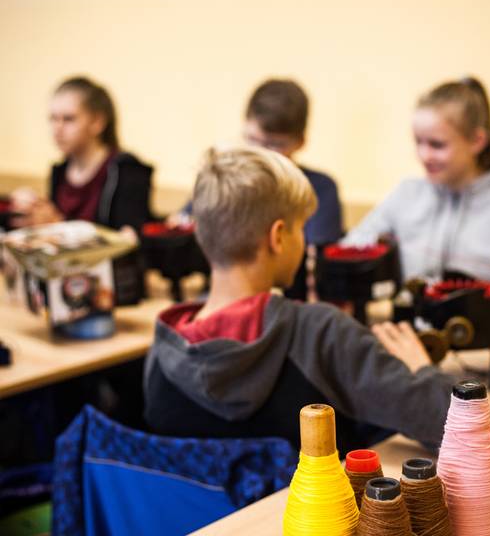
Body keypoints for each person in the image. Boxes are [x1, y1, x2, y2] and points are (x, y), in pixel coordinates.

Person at [144, 146, 453, 455]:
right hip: (314, 505)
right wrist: (423, 369)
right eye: (301, 228)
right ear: (277, 237)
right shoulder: (321, 334)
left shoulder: (162, 349)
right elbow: (453, 428)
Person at [343, 77, 490, 321]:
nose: (424, 155)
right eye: (418, 142)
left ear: (477, 141)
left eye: (437, 144)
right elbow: (350, 251)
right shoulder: (406, 195)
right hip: (411, 343)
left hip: (487, 345)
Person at [174, 79, 343, 246]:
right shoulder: (229, 180)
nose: (261, 153)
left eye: (276, 145)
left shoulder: (320, 189)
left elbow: (317, 257)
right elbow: (180, 223)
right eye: (253, 140)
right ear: (244, 125)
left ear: (301, 142)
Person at [11, 76, 153, 232]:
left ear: (97, 122)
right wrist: (31, 208)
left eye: (68, 119)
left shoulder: (127, 171)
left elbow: (126, 242)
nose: (57, 128)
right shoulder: (60, 171)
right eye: (53, 118)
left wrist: (57, 224)